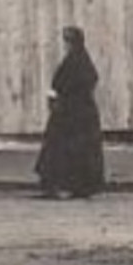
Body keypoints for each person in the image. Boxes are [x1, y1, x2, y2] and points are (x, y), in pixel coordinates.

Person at [34, 26, 105, 198]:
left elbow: (66, 83)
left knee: (65, 147)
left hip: (72, 113)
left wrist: (60, 97)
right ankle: (77, 185)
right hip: (78, 112)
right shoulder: (80, 60)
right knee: (73, 148)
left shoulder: (75, 61)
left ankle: (66, 184)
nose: (66, 45)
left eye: (68, 41)